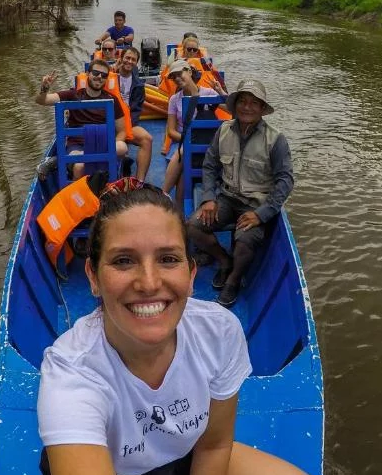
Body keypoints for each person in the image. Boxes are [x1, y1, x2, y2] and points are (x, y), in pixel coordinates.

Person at [32, 179, 323, 475]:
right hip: (106, 472)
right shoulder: (73, 371)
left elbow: (214, 445)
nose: (149, 283)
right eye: (123, 261)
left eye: (168, 259)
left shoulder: (218, 332)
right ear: (93, 277)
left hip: (181, 457)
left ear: (190, 272)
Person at [186, 80, 293, 308]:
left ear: (262, 109)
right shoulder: (223, 130)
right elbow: (210, 166)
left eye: (254, 103)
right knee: (193, 226)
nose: (247, 107)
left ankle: (233, 280)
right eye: (242, 102)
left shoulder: (275, 139)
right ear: (235, 106)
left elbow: (285, 181)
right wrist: (208, 198)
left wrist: (261, 214)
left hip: (255, 205)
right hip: (226, 198)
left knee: (244, 240)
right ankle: (224, 261)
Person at [36, 59, 129, 179]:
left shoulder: (112, 99)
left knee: (122, 147)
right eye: (95, 73)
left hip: (102, 144)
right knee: (80, 165)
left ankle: (58, 160)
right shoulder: (73, 95)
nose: (99, 77)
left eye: (104, 75)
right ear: (87, 74)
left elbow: (122, 131)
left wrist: (112, 144)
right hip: (78, 145)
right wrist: (44, 88)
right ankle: (79, 193)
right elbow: (41, 101)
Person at [162, 60, 219, 200]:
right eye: (173, 76)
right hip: (183, 140)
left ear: (189, 71)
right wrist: (187, 139)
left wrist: (220, 91)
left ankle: (163, 194)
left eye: (179, 73)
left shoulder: (209, 93)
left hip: (205, 140)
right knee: (183, 164)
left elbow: (230, 109)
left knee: (183, 152)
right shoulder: (174, 100)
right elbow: (171, 131)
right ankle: (178, 207)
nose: (176, 78)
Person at [115, 47, 153, 180]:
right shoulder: (109, 78)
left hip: (128, 123)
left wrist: (124, 129)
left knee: (147, 139)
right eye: (127, 58)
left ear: (136, 63)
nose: (129, 61)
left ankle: (139, 181)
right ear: (121, 58)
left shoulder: (138, 85)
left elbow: (136, 111)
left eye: (133, 59)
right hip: (108, 121)